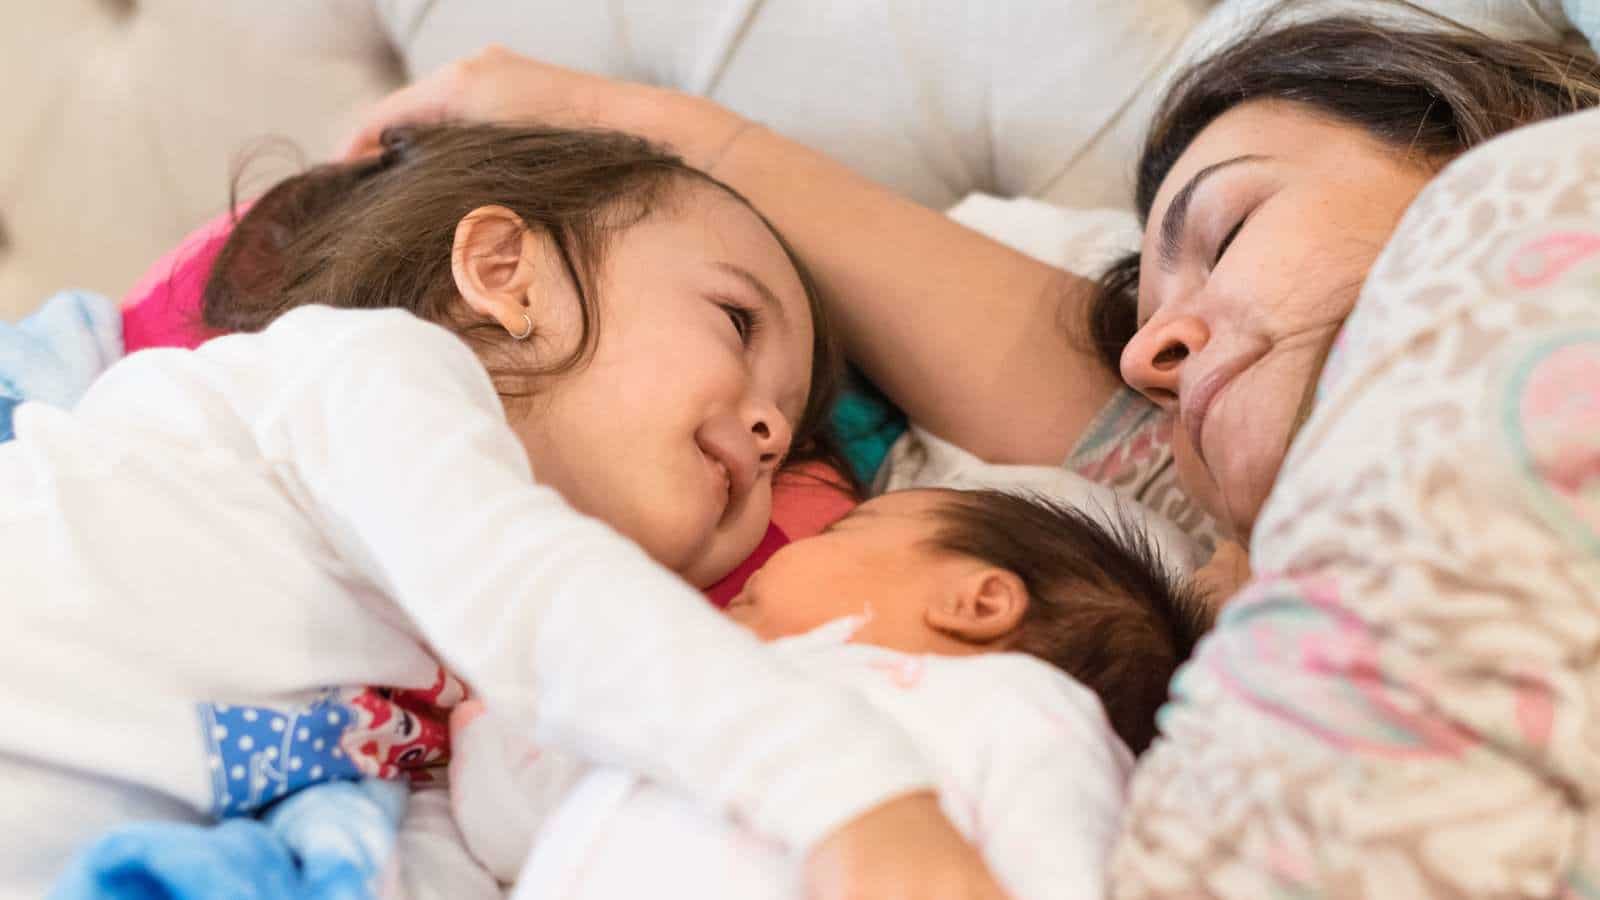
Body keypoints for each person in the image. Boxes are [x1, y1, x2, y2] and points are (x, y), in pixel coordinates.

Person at [340, 5, 1600, 894]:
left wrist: (611, 116)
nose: (1150, 356)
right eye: (1151, 320)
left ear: (1473, 140)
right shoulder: (1193, 588)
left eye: (1226, 230)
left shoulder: (1535, 205)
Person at [0, 123, 1011, 900]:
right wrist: (858, 799)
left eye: (785, 436)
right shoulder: (362, 376)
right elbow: (544, 600)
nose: (763, 432)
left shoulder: (444, 692)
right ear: (501, 272)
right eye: (735, 323)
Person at [447, 488, 1210, 899]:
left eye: (849, 525)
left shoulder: (1020, 708)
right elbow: (511, 822)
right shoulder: (697, 691)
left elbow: (1060, 858)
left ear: (975, 604)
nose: (793, 546)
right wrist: (494, 712)